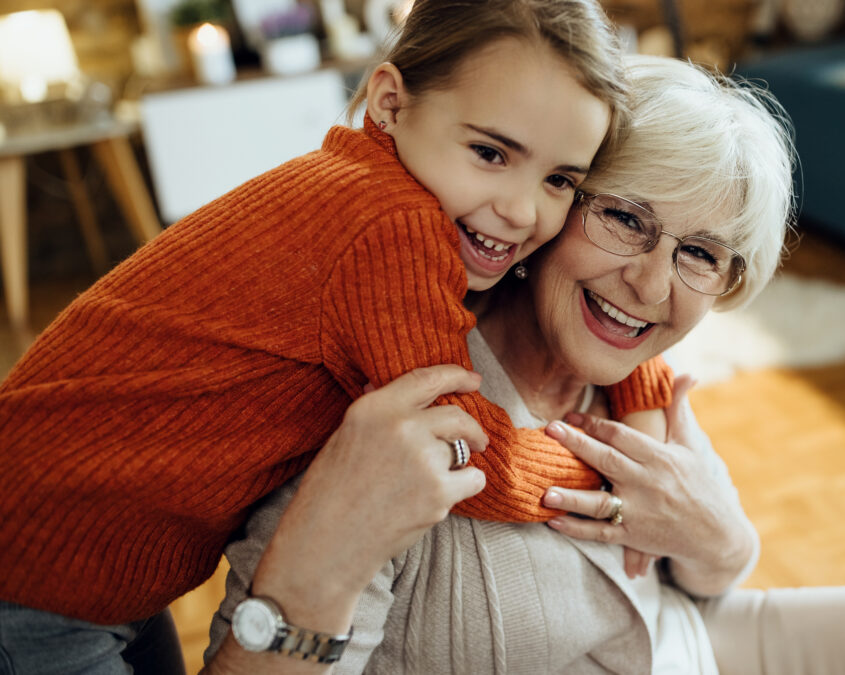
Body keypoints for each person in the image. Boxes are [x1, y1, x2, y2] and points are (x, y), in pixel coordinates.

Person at [204, 55, 845, 673]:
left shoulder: (636, 387)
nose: (653, 283)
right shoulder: (399, 383)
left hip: (694, 646)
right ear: (556, 201)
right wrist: (322, 546)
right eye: (626, 218)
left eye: (701, 253)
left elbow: (709, 576)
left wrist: (722, 532)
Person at [0, 1, 676, 672]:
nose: (522, 209)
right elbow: (469, 451)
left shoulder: (379, 187)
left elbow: (603, 284)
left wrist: (640, 376)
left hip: (83, 564)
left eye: (560, 179)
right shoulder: (391, 225)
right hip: (39, 576)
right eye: (490, 152)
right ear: (388, 102)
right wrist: (616, 477)